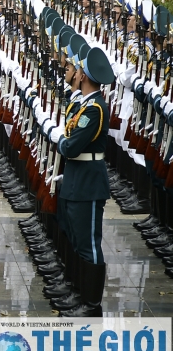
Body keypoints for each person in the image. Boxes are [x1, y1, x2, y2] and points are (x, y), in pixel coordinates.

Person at [53, 46, 115, 317]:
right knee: (76, 239)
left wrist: (61, 140)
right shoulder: (83, 105)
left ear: (84, 76)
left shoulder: (95, 110)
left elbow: (72, 146)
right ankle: (78, 292)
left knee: (89, 243)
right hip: (76, 179)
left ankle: (91, 305)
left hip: (88, 181)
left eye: (77, 69)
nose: (73, 72)